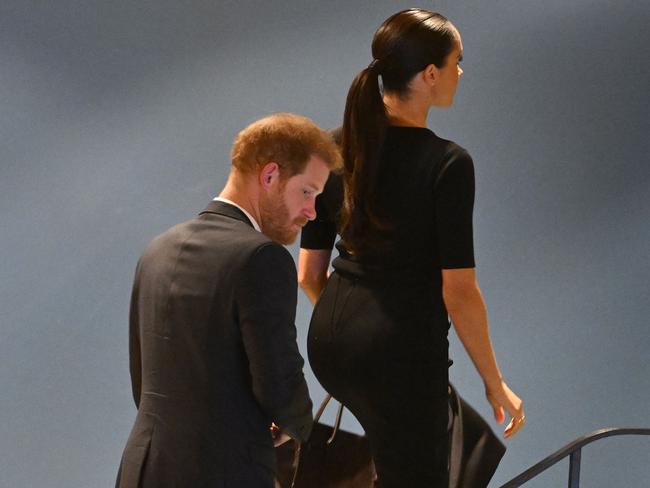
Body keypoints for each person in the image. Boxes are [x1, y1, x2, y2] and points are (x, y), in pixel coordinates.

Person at [298, 9, 525, 487]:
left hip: (329, 340)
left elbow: (308, 275)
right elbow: (459, 291)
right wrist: (494, 383)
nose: (460, 73)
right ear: (428, 75)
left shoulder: (333, 147)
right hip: (398, 350)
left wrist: (356, 330)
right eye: (456, 62)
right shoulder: (448, 164)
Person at [115, 113, 341, 488]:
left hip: (142, 469)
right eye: (308, 192)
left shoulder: (157, 250)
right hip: (223, 470)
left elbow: (144, 383)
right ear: (269, 176)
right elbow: (279, 383)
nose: (312, 212)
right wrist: (295, 422)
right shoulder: (261, 258)